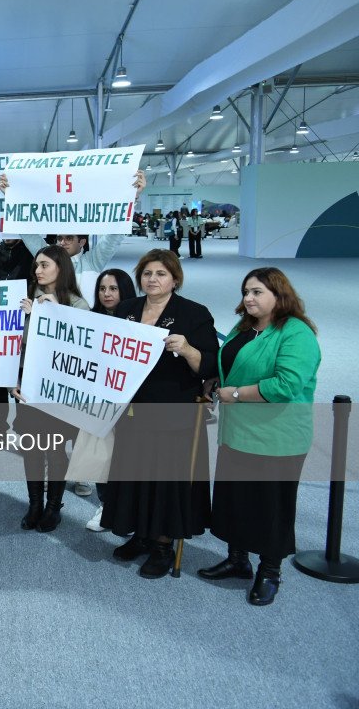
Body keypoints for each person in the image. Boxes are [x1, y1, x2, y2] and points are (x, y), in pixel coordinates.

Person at [199, 268, 320, 606]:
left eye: (256, 293)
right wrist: (217, 383)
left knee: (271, 507)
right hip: (237, 431)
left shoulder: (297, 334)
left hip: (277, 437)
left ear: (279, 296)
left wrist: (234, 394)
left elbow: (285, 385)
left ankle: (270, 571)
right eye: (246, 292)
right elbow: (231, 362)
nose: (248, 299)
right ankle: (238, 560)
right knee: (235, 499)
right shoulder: (245, 327)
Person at [101, 249, 218, 579]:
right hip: (131, 409)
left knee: (166, 479)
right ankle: (141, 535)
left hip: (173, 412)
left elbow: (210, 364)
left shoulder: (194, 314)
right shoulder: (126, 309)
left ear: (175, 279)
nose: (153, 279)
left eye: (161, 274)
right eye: (147, 273)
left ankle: (163, 544)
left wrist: (188, 350)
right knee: (134, 472)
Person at [11, 245, 89, 532]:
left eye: (44, 265)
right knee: (31, 448)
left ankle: (54, 507)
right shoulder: (26, 300)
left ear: (61, 268)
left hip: (60, 393)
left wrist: (43, 315)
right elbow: (14, 345)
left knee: (55, 450)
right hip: (28, 388)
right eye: (36, 266)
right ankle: (34, 504)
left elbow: (73, 351)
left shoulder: (78, 305)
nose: (38, 271)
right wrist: (13, 381)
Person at [0, 169, 145, 298]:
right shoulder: (48, 258)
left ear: (82, 242)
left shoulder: (93, 261)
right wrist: (11, 198)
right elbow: (28, 234)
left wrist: (133, 197)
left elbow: (114, 235)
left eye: (69, 238)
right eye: (59, 238)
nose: (62, 242)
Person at [82, 268, 138, 533]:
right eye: (102, 289)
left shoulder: (140, 321)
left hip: (132, 403)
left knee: (127, 456)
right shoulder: (89, 319)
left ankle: (129, 510)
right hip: (98, 402)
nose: (106, 294)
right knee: (101, 455)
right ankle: (106, 505)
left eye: (113, 289)